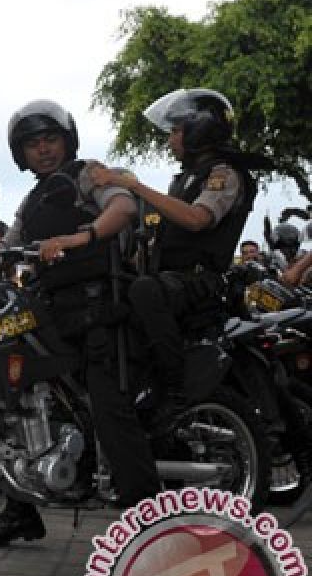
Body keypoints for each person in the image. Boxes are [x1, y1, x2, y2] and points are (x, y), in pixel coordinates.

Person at [0, 99, 161, 549]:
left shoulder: (87, 174)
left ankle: (153, 533)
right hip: (52, 311)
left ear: (66, 141)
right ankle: (20, 508)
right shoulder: (33, 200)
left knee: (109, 409)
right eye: (33, 144)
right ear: (21, 153)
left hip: (99, 308)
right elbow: (9, 247)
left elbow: (123, 208)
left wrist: (82, 236)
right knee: (10, 396)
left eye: (50, 139)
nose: (43, 150)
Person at [91, 88, 265, 436]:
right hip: (174, 279)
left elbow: (198, 219)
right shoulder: (185, 178)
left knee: (144, 291)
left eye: (175, 131)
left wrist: (133, 186)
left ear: (198, 131)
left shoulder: (224, 175)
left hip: (200, 282)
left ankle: (174, 389)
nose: (169, 139)